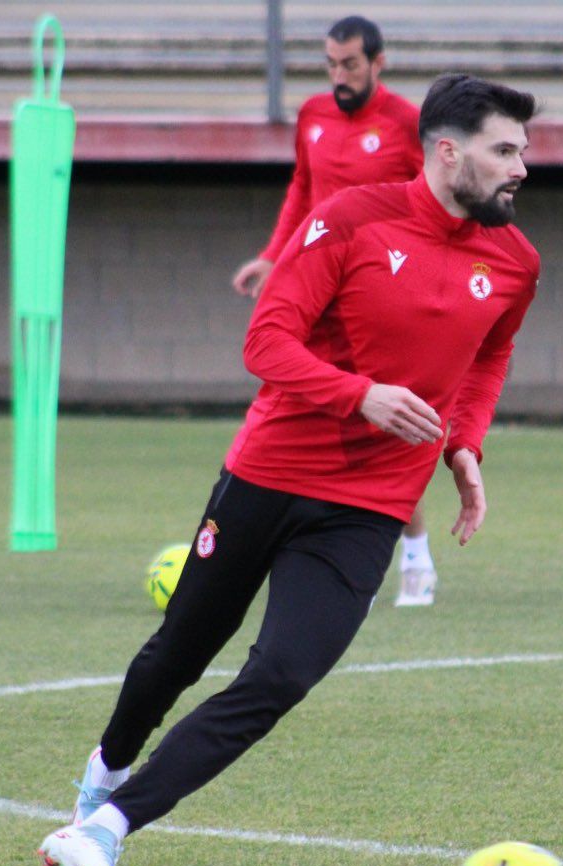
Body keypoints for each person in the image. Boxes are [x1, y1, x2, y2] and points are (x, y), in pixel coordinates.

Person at [36, 73, 540, 866]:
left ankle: (103, 829)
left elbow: (489, 354)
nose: (522, 167)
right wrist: (360, 394)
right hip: (268, 475)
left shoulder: (515, 261)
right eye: (506, 150)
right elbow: (265, 342)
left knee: (279, 677)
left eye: (523, 150)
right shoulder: (350, 219)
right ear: (448, 152)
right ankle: (104, 773)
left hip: (369, 507)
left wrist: (464, 446)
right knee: (179, 652)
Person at [231, 15, 439, 607]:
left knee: (383, 425)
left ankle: (416, 556)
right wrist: (274, 256)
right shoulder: (313, 116)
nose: (339, 75)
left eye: (350, 64)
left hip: (380, 293)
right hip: (317, 287)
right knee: (299, 408)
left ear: (378, 63)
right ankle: (321, 558)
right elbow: (303, 189)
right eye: (330, 64)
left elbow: (434, 205)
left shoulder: (407, 125)